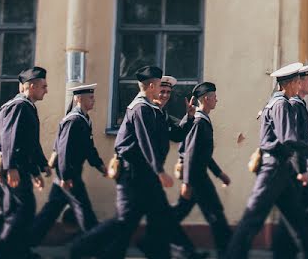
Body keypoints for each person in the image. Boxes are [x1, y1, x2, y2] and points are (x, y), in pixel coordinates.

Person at [69, 65, 205, 259]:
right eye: (160, 86)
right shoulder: (141, 108)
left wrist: (189, 117)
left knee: (160, 218)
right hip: (133, 175)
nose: (162, 91)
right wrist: (160, 171)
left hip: (146, 175)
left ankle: (158, 252)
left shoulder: (154, 110)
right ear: (151, 86)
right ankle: (81, 247)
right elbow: (145, 141)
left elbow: (176, 135)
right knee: (125, 221)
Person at [223, 62, 308, 259]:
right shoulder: (281, 104)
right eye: (298, 82)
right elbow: (288, 138)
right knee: (252, 218)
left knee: (298, 219)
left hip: (281, 168)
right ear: (290, 84)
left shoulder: (278, 102)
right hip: (273, 168)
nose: (300, 85)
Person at [30, 83, 107, 247]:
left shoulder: (84, 119)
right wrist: (65, 176)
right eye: (90, 97)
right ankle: (97, 246)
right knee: (85, 212)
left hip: (67, 176)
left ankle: (26, 244)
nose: (93, 100)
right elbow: (63, 150)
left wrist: (100, 166)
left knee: (49, 215)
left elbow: (89, 149)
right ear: (79, 99)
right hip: (69, 175)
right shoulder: (74, 120)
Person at [0, 66, 50, 259]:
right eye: (43, 86)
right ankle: (2, 252)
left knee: (15, 211)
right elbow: (9, 138)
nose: (46, 90)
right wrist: (11, 167)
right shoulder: (19, 106)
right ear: (31, 86)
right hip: (14, 168)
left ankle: (18, 252)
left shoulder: (25, 106)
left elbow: (29, 144)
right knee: (22, 210)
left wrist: (38, 169)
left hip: (19, 167)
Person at [174, 81, 232, 255]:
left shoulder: (202, 120)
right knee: (215, 214)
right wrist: (187, 182)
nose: (217, 100)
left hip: (197, 176)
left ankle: (154, 237)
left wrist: (219, 174)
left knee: (178, 213)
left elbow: (203, 154)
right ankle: (227, 252)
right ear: (206, 99)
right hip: (196, 178)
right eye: (214, 97)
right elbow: (191, 153)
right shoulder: (199, 122)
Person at [271, 63, 308, 258]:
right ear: (297, 84)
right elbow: (295, 140)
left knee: (293, 211)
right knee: (302, 208)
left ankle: (286, 250)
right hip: (292, 167)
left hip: (291, 167)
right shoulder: (295, 106)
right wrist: (301, 170)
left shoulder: (296, 104)